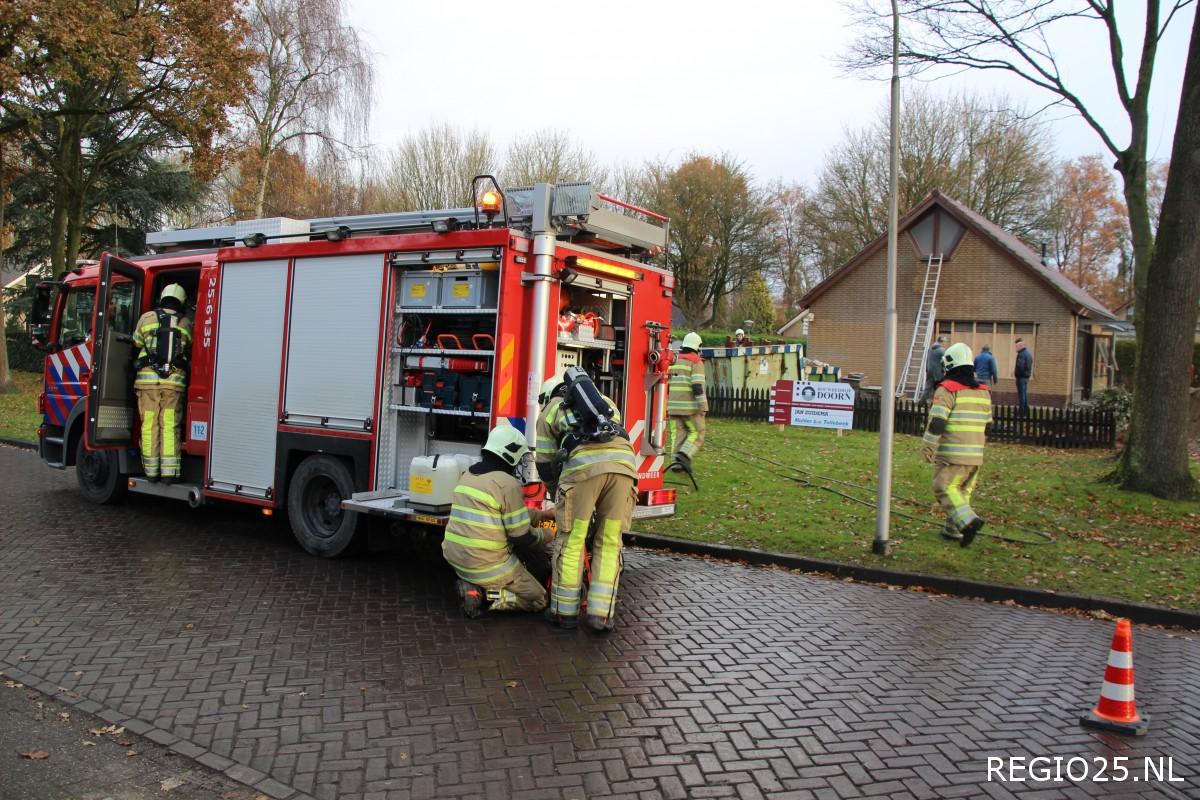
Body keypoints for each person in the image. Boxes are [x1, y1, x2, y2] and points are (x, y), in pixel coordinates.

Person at [536, 372, 637, 633]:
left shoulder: (550, 410)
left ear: (550, 394)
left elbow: (545, 463)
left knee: (571, 540)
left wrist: (556, 493)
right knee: (610, 541)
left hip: (581, 472)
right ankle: (601, 615)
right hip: (624, 467)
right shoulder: (606, 401)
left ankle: (563, 613)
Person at [442, 424, 556, 618]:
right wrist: (549, 534)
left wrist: (543, 515)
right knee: (538, 599)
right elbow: (522, 537)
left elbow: (506, 515)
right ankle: (484, 597)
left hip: (456, 558)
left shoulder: (467, 475)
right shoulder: (507, 483)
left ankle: (471, 585)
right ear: (509, 454)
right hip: (487, 564)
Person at [921, 342, 992, 548]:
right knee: (961, 493)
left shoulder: (947, 390)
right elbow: (988, 425)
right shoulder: (983, 391)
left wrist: (928, 446)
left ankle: (969, 523)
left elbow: (937, 422)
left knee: (943, 487)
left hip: (953, 453)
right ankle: (953, 529)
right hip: (975, 454)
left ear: (949, 364)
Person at [131, 284, 192, 483]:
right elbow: (189, 349)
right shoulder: (185, 323)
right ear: (181, 301)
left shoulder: (146, 318)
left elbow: (136, 343)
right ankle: (168, 473)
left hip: (147, 384)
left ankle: (151, 472)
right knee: (169, 425)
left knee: (149, 425)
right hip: (173, 385)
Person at [668, 331, 708, 472]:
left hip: (672, 407)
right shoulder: (696, 362)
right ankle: (684, 456)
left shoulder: (675, 361)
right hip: (689, 408)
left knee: (677, 435)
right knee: (698, 432)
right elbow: (697, 386)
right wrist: (703, 407)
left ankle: (676, 465)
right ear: (697, 346)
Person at [922, 335, 947, 403]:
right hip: (938, 373)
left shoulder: (930, 348)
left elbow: (927, 359)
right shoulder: (942, 350)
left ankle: (920, 403)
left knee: (928, 388)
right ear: (942, 342)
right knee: (939, 389)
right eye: (945, 342)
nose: (945, 344)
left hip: (929, 371)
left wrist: (927, 369)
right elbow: (945, 362)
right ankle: (937, 402)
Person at [1014, 338, 1033, 414]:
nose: (1016, 348)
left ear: (1020, 345)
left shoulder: (1021, 354)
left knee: (1021, 395)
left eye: (1017, 346)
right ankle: (1026, 410)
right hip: (1026, 376)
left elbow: (1020, 367)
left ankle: (1022, 411)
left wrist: (1017, 374)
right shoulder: (1028, 353)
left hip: (1021, 377)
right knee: (1024, 394)